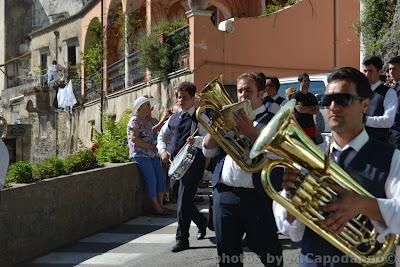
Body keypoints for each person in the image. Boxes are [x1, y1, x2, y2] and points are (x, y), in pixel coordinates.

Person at [274, 67, 400, 267]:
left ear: (365, 105)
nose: (333, 106)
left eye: (343, 99)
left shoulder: (393, 158)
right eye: (327, 100)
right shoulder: (308, 158)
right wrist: (291, 198)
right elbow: (291, 232)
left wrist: (363, 204)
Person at [203, 72, 282, 266]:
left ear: (261, 93)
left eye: (248, 90)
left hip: (258, 197)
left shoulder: (274, 118)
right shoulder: (228, 116)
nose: (243, 95)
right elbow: (207, 152)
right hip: (225, 194)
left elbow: (278, 155)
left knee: (270, 254)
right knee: (228, 257)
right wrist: (214, 130)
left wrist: (252, 133)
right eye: (240, 90)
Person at [157, 81, 208, 253]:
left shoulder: (200, 118)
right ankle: (202, 222)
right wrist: (163, 151)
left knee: (184, 200)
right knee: (180, 200)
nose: (180, 100)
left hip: (193, 165)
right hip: (175, 166)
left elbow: (210, 139)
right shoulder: (173, 117)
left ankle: (182, 239)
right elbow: (161, 137)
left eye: (184, 98)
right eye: (178, 97)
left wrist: (198, 141)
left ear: (193, 98)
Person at [127, 96, 168, 216]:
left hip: (152, 154)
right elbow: (134, 139)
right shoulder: (134, 121)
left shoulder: (147, 121)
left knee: (161, 177)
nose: (150, 108)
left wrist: (162, 121)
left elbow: (151, 132)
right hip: (140, 155)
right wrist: (150, 146)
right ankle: (156, 207)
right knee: (152, 179)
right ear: (140, 107)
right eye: (147, 105)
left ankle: (160, 204)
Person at [362, 56, 397, 142]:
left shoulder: (389, 93)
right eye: (365, 71)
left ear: (380, 72)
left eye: (370, 71)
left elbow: (388, 120)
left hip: (379, 145)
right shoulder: (360, 92)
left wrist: (365, 120)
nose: (367, 75)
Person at [292, 73, 319, 142]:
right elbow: (300, 109)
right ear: (299, 81)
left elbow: (317, 111)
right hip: (300, 128)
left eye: (308, 80)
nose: (307, 82)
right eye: (305, 80)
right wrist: (312, 108)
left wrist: (305, 108)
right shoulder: (296, 96)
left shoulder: (312, 96)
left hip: (311, 128)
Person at [388, 56, 400, 148]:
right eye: (389, 69)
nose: (391, 72)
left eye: (394, 69)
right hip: (390, 136)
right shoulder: (391, 90)